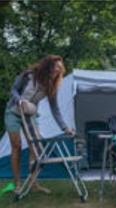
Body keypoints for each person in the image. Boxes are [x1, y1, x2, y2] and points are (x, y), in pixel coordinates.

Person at [4, 55, 74, 193]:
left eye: (61, 69)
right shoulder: (28, 75)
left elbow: (55, 109)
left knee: (36, 148)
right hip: (13, 112)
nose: (59, 71)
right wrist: (20, 100)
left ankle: (33, 183)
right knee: (16, 146)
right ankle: (17, 184)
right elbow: (14, 90)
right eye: (56, 67)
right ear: (48, 66)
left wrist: (65, 128)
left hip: (30, 115)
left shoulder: (51, 86)